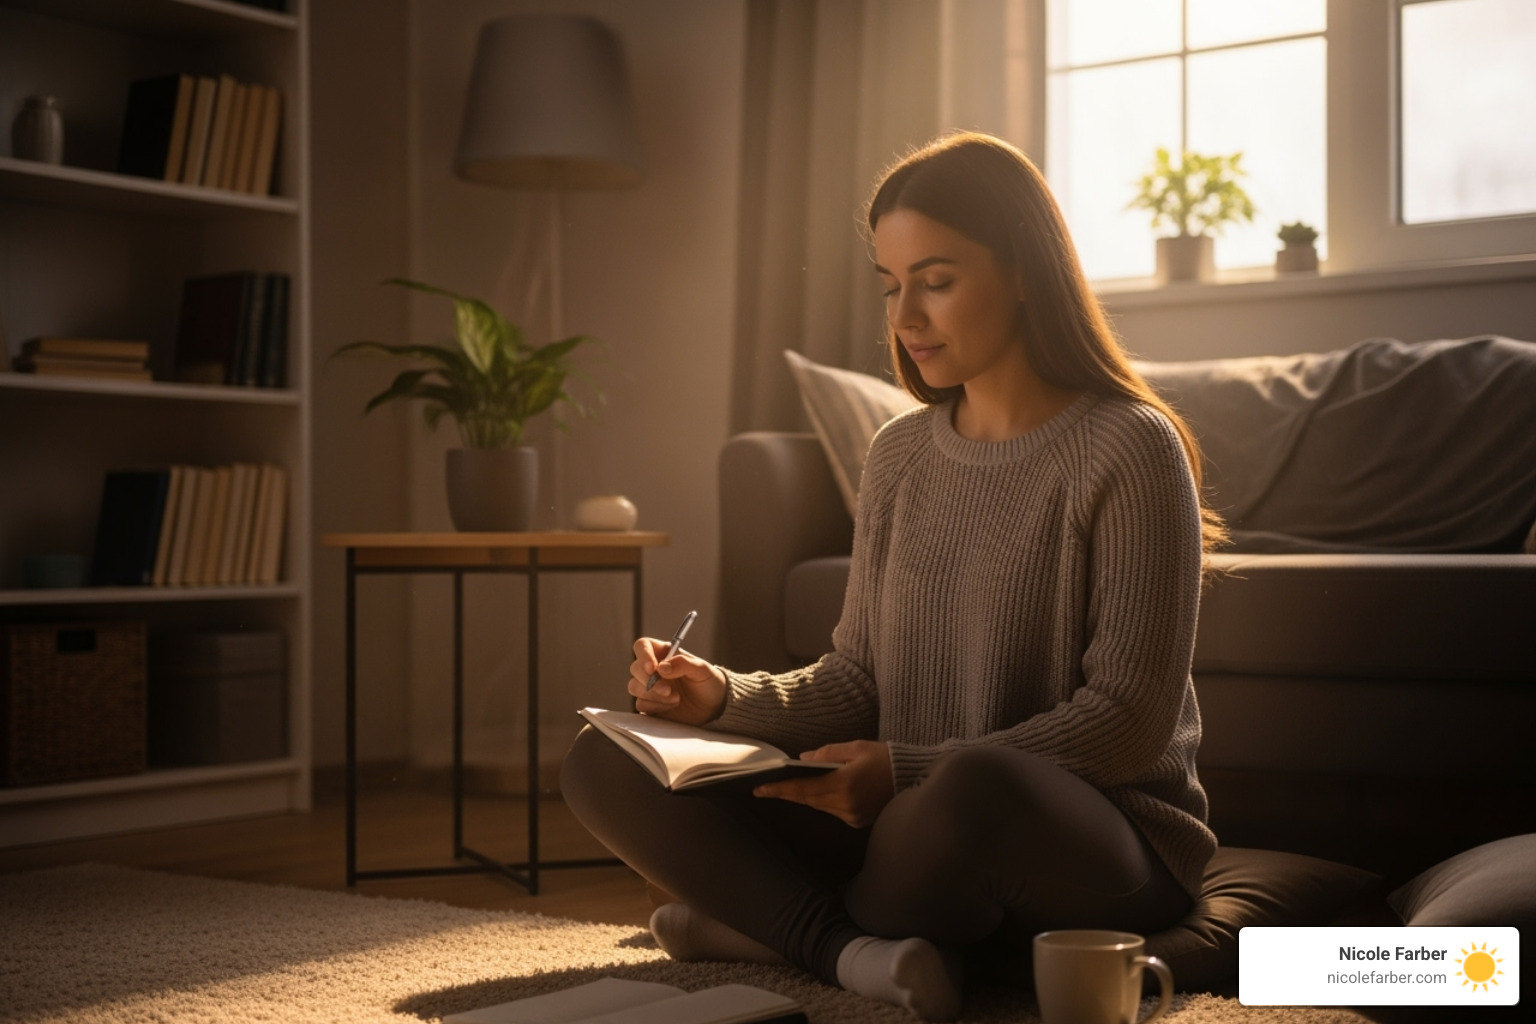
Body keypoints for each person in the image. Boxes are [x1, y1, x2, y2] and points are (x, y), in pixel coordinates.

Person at [560, 131, 1226, 1022]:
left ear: (1024, 272)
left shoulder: (1131, 446)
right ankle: (848, 951)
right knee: (604, 758)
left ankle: (773, 930)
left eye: (936, 280)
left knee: (963, 792)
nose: (906, 316)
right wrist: (719, 697)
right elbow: (856, 679)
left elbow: (1127, 722)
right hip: (906, 828)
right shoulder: (900, 453)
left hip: (1090, 840)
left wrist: (908, 772)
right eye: (890, 284)